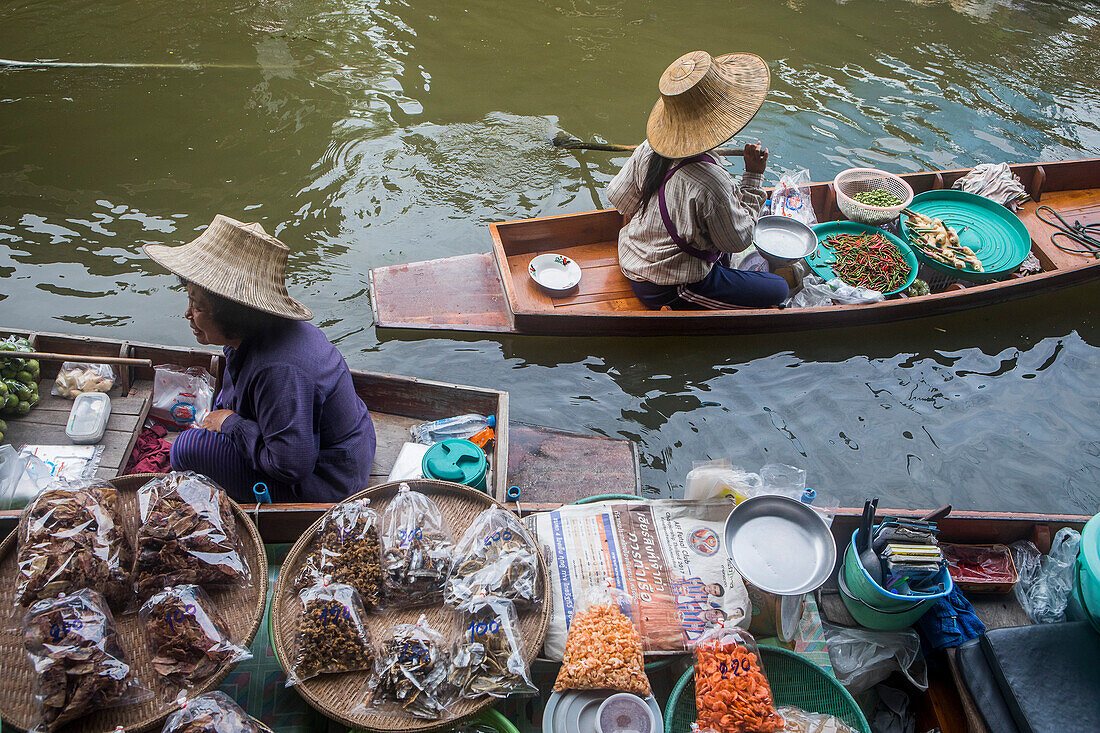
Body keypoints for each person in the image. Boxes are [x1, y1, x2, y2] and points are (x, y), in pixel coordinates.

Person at [143, 215, 377, 503]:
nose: (188, 313)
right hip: (336, 447)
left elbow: (290, 466)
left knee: (187, 449)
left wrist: (230, 423)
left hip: (328, 480)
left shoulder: (278, 370)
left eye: (198, 305)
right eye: (189, 299)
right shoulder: (248, 338)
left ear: (232, 313)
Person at [608, 50, 789, 310]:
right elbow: (739, 241)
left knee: (720, 243)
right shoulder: (712, 182)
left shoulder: (649, 148)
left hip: (631, 253)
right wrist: (753, 177)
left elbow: (621, 203)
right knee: (778, 289)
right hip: (665, 287)